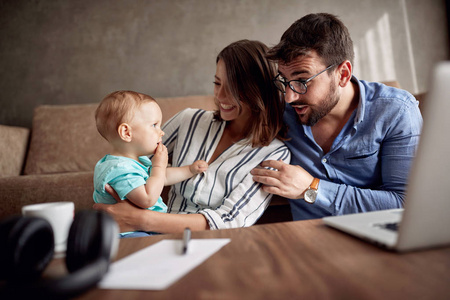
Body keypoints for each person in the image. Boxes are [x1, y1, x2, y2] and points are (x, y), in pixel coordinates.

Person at [93, 40, 291, 233]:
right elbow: (134, 164)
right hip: (151, 236)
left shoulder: (274, 155)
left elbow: (230, 221)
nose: (220, 96)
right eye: (217, 83)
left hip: (210, 242)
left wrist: (142, 220)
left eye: (232, 88)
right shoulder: (189, 120)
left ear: (258, 92)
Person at [251, 13, 423, 220]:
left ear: (343, 74)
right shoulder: (278, 111)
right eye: (285, 80)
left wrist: (311, 188)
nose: (289, 96)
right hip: (304, 240)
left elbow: (405, 204)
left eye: (303, 81)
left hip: (375, 238)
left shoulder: (396, 111)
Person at [93, 90, 208, 236]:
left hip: (144, 228)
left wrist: (189, 170)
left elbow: (162, 178)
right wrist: (159, 166)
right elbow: (148, 198)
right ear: (126, 133)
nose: (162, 132)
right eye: (154, 125)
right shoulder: (119, 169)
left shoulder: (137, 161)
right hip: (127, 233)